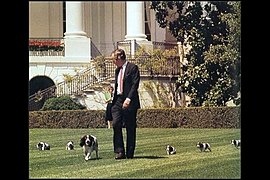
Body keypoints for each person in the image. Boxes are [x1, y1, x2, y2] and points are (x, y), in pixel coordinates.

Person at [110, 48, 140, 159]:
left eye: (113, 59)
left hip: (129, 101)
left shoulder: (133, 68)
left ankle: (130, 153)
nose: (113, 62)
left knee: (130, 127)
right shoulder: (117, 70)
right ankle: (119, 151)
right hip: (118, 100)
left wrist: (128, 99)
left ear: (119, 57)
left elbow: (134, 85)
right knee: (116, 124)